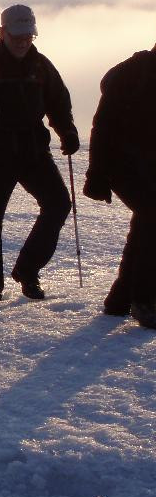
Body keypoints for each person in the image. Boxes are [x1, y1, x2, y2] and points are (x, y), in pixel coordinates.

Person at [0, 4, 79, 302]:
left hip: (33, 148)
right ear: (2, 32)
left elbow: (59, 102)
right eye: (17, 35)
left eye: (28, 36)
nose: (23, 41)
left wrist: (68, 132)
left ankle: (27, 270)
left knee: (58, 204)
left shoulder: (41, 66)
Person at [83, 42, 156, 329]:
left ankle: (120, 299)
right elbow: (102, 128)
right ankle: (144, 299)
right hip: (121, 166)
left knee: (147, 222)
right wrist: (97, 177)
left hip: (147, 169)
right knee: (152, 217)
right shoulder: (132, 76)